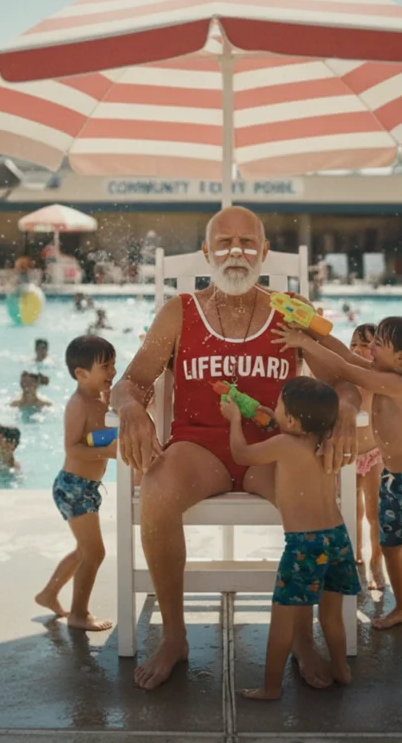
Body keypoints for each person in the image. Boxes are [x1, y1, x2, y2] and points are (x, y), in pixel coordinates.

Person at [109, 205, 358, 690]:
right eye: (224, 243)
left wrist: (346, 409)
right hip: (199, 448)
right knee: (157, 489)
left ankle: (302, 637)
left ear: (264, 252)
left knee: (309, 495)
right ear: (207, 253)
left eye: (248, 243)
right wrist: (129, 409)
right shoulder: (179, 311)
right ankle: (176, 637)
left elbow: (345, 375)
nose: (236, 252)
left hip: (274, 448)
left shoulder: (290, 310)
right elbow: (133, 380)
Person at [276, 315, 402, 643]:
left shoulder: (400, 385)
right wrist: (312, 331)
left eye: (378, 344)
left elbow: (347, 370)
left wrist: (305, 344)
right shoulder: (383, 372)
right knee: (390, 547)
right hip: (392, 478)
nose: (369, 348)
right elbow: (346, 358)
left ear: (401, 359)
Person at [227, 376, 357, 700]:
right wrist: (274, 418)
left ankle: (270, 688)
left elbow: (241, 454)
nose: (276, 408)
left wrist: (233, 419)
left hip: (304, 545)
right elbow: (294, 427)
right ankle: (341, 667)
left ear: (294, 420)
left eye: (281, 405)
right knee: (331, 616)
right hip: (337, 539)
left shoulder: (286, 445)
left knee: (282, 619)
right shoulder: (324, 439)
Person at [36, 335, 118, 631]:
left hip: (87, 487)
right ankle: (79, 615)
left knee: (84, 550)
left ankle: (48, 594)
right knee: (95, 553)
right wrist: (106, 451)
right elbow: (72, 448)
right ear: (81, 375)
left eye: (114, 364)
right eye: (106, 367)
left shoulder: (100, 396)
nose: (112, 372)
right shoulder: (78, 404)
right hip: (73, 486)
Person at [348, 324, 388, 590]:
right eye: (354, 345)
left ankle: (377, 559)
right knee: (353, 510)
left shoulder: (379, 378)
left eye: (366, 345)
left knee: (374, 512)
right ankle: (356, 555)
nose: (359, 350)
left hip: (374, 453)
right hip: (350, 455)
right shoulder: (347, 375)